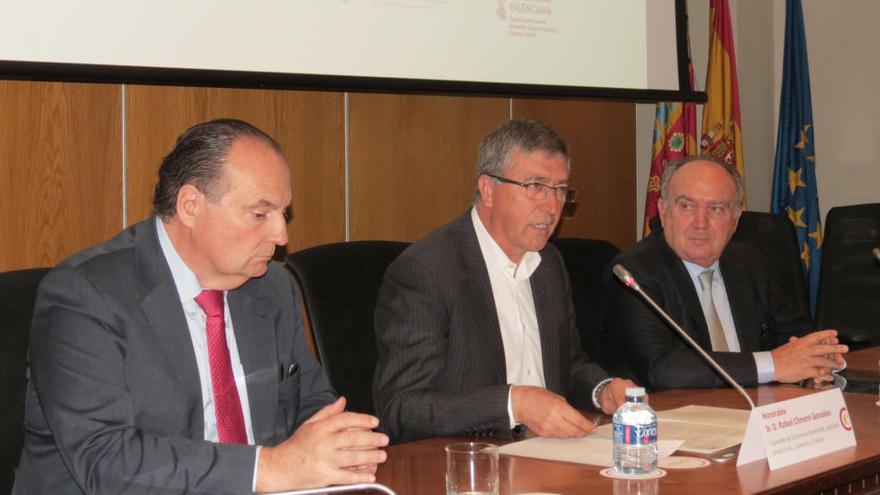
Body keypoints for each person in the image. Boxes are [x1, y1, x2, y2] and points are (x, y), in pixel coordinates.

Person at [14, 119, 388, 495]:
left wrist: (339, 447)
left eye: (283, 213)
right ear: (191, 206)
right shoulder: (85, 295)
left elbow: (309, 405)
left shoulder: (272, 288)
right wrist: (267, 468)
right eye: (260, 214)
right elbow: (107, 461)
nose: (281, 235)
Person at [372, 119, 637, 444]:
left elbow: (566, 365)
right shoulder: (427, 271)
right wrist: (514, 404)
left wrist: (602, 390)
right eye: (536, 187)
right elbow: (403, 408)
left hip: (552, 454)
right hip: (470, 464)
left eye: (561, 190)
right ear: (488, 190)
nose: (553, 207)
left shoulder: (549, 263)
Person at [602, 156, 847, 391]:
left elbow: (795, 331)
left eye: (716, 209)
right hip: (673, 421)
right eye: (687, 206)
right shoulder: (633, 273)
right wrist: (773, 364)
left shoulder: (749, 261)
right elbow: (661, 369)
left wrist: (818, 354)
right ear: (664, 212)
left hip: (758, 410)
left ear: (735, 218)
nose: (700, 222)